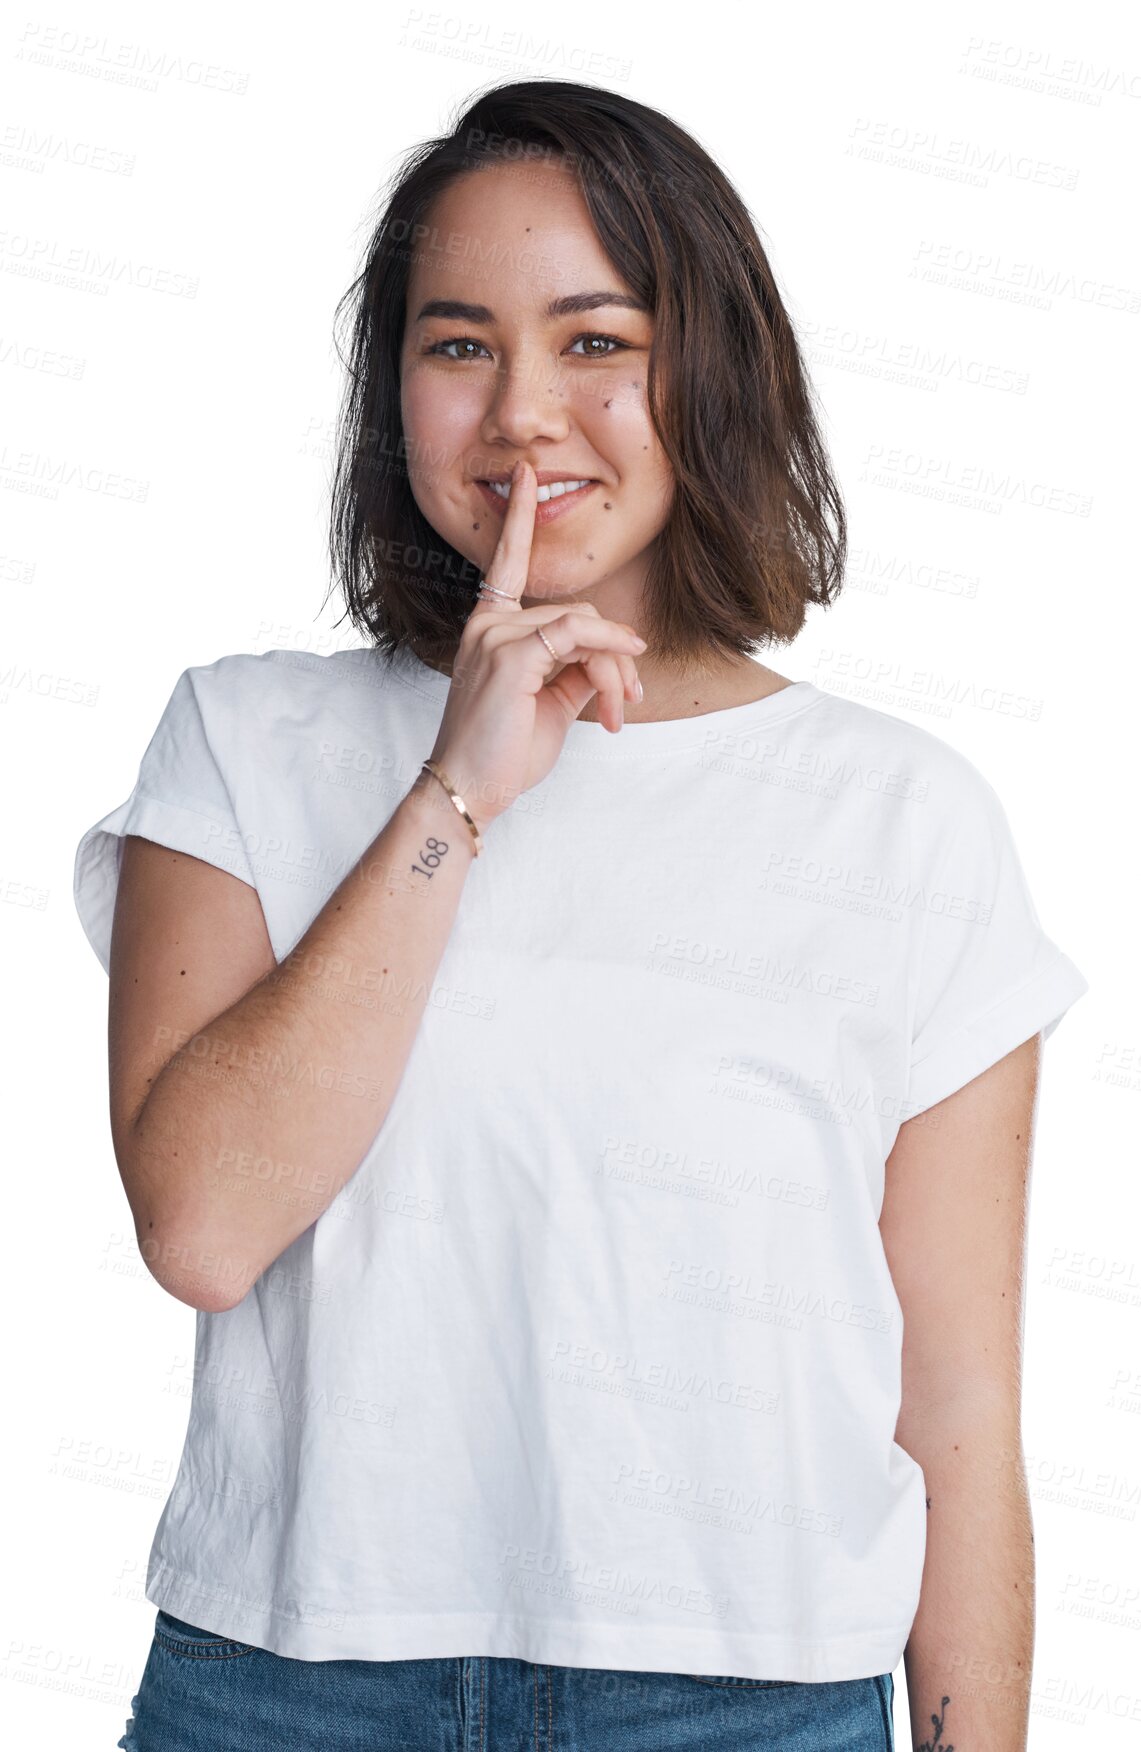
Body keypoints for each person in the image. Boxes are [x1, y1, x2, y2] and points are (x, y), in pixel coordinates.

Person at [74, 80, 1087, 1752]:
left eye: (596, 342)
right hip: (289, 1696)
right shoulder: (243, 744)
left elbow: (958, 1409)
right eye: (458, 344)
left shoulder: (900, 819)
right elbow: (202, 1225)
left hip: (743, 1707)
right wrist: (452, 793)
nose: (522, 415)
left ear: (712, 374)